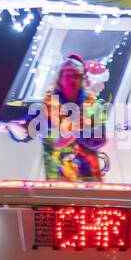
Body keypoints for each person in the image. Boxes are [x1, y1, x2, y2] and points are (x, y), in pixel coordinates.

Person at [38, 53, 107, 181]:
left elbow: (99, 140)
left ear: (82, 79)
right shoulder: (47, 105)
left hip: (88, 179)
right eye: (67, 75)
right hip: (56, 179)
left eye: (75, 75)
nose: (71, 79)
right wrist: (16, 128)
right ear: (59, 78)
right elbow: (33, 129)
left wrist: (76, 131)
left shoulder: (93, 105)